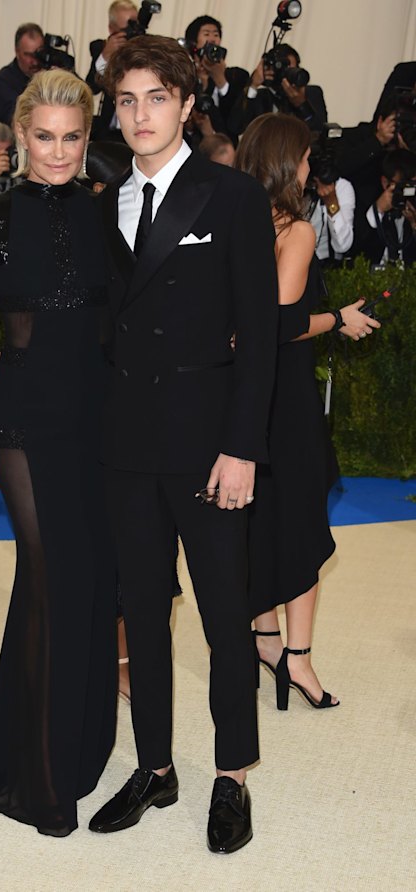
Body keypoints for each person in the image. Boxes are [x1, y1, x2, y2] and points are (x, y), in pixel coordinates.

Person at [88, 36, 278, 854]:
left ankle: (231, 773)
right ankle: (158, 768)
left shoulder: (230, 196)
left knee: (224, 618)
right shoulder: (104, 204)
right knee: (144, 613)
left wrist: (242, 449)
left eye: (156, 99)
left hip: (208, 446)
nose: (139, 115)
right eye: (126, 101)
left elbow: (263, 336)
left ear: (187, 105)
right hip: (127, 446)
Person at [0, 69, 117, 838]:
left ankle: (60, 736)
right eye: (43, 137)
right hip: (21, 419)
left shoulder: (106, 214)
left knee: (83, 578)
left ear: (87, 136)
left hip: (95, 419)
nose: (57, 152)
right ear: (18, 138)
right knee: (49, 576)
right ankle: (43, 780)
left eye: (71, 136)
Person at [234, 113, 380, 711]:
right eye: (305, 156)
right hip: (283, 400)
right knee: (299, 525)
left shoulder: (231, 222)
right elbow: (279, 323)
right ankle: (298, 659)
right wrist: (337, 319)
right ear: (285, 161)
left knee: (259, 523)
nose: (310, 165)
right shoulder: (293, 230)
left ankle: (264, 638)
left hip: (241, 396)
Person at [230, 44, 327, 137]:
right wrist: (253, 85)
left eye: (291, 69)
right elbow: (236, 127)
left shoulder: (311, 93)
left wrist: (302, 104)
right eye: (283, 68)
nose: (286, 74)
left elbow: (319, 130)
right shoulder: (260, 97)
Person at [184, 15, 247, 144]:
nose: (212, 39)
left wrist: (221, 80)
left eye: (216, 35)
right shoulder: (185, 76)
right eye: (206, 34)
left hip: (228, 148)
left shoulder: (236, 76)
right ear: (193, 42)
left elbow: (236, 123)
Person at [353, 148, 416, 267]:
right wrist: (377, 211)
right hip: (371, 278)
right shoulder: (365, 199)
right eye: (403, 185)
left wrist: (414, 225)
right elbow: (353, 247)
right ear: (385, 182)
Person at [86, 1, 138, 140]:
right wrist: (105, 56)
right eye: (125, 29)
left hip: (138, 129)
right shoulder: (102, 48)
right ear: (111, 29)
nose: (130, 34)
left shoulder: (146, 51)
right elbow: (91, 87)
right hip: (110, 131)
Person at [0, 23, 44, 125]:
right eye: (28, 55)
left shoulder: (50, 73)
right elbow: (17, 120)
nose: (35, 61)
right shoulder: (5, 80)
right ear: (17, 52)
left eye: (39, 54)